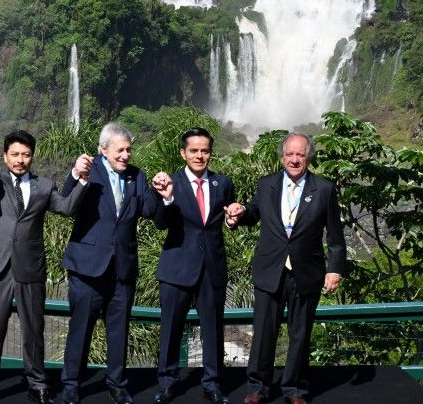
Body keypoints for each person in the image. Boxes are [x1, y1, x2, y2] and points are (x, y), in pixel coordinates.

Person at [225, 132, 347, 404]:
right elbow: (253, 213)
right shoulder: (266, 184)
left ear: (308, 157)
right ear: (282, 157)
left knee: (300, 334)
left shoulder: (324, 189)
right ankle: (257, 388)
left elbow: (336, 235)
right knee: (262, 335)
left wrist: (334, 269)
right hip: (270, 269)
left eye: (300, 155)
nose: (294, 160)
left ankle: (295, 390)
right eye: (290, 154)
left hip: (306, 272)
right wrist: (238, 214)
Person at [0, 130, 88, 404]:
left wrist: (81, 181)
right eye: (15, 154)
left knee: (34, 330)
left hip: (30, 266)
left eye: (25, 155)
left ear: (32, 157)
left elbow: (67, 208)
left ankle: (37, 384)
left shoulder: (45, 186)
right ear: (5, 156)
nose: (20, 160)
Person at [60, 122, 158, 404]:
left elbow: (149, 210)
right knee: (80, 329)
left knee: (119, 331)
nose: (126, 155)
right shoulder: (90, 170)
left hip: (123, 269)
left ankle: (117, 383)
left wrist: (160, 191)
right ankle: (71, 384)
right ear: (103, 150)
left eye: (129, 149)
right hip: (87, 268)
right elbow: (67, 201)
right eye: (120, 150)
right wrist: (75, 174)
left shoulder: (137, 176)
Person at [149, 128, 235, 404]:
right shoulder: (169, 182)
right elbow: (160, 221)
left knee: (213, 329)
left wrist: (234, 219)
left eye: (205, 151)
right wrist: (167, 197)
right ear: (182, 153)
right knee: (171, 328)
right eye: (194, 151)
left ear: (211, 153)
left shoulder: (223, 183)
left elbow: (227, 219)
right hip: (177, 268)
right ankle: (167, 382)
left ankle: (212, 383)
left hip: (212, 267)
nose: (200, 156)